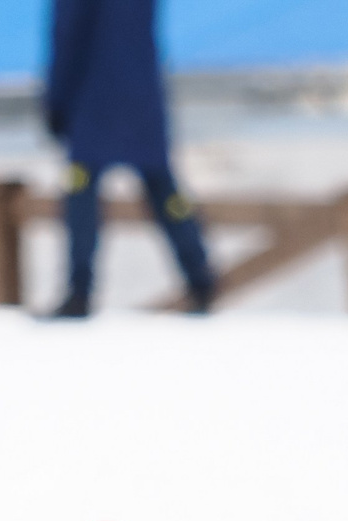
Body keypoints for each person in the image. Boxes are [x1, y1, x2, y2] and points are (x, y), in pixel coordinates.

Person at [44, 0, 219, 316]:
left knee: (81, 194)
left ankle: (79, 290)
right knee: (164, 190)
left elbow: (68, 37)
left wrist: (56, 103)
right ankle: (200, 276)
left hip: (92, 101)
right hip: (141, 94)